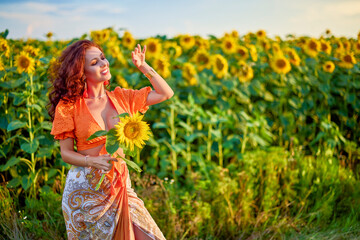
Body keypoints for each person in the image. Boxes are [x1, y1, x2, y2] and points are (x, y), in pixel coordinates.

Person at [47, 39, 174, 240]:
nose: (103, 64)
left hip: (121, 185)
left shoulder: (122, 97)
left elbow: (166, 93)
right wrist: (91, 161)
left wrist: (143, 66)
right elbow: (66, 153)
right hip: (86, 193)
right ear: (81, 73)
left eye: (103, 58)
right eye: (94, 62)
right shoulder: (69, 105)